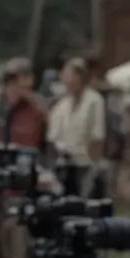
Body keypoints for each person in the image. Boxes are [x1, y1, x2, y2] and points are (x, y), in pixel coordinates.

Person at [47, 58, 107, 195]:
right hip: (64, 165)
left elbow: (98, 136)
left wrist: (93, 167)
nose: (69, 81)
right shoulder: (61, 105)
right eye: (66, 77)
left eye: (73, 76)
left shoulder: (94, 101)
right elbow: (53, 138)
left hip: (86, 165)